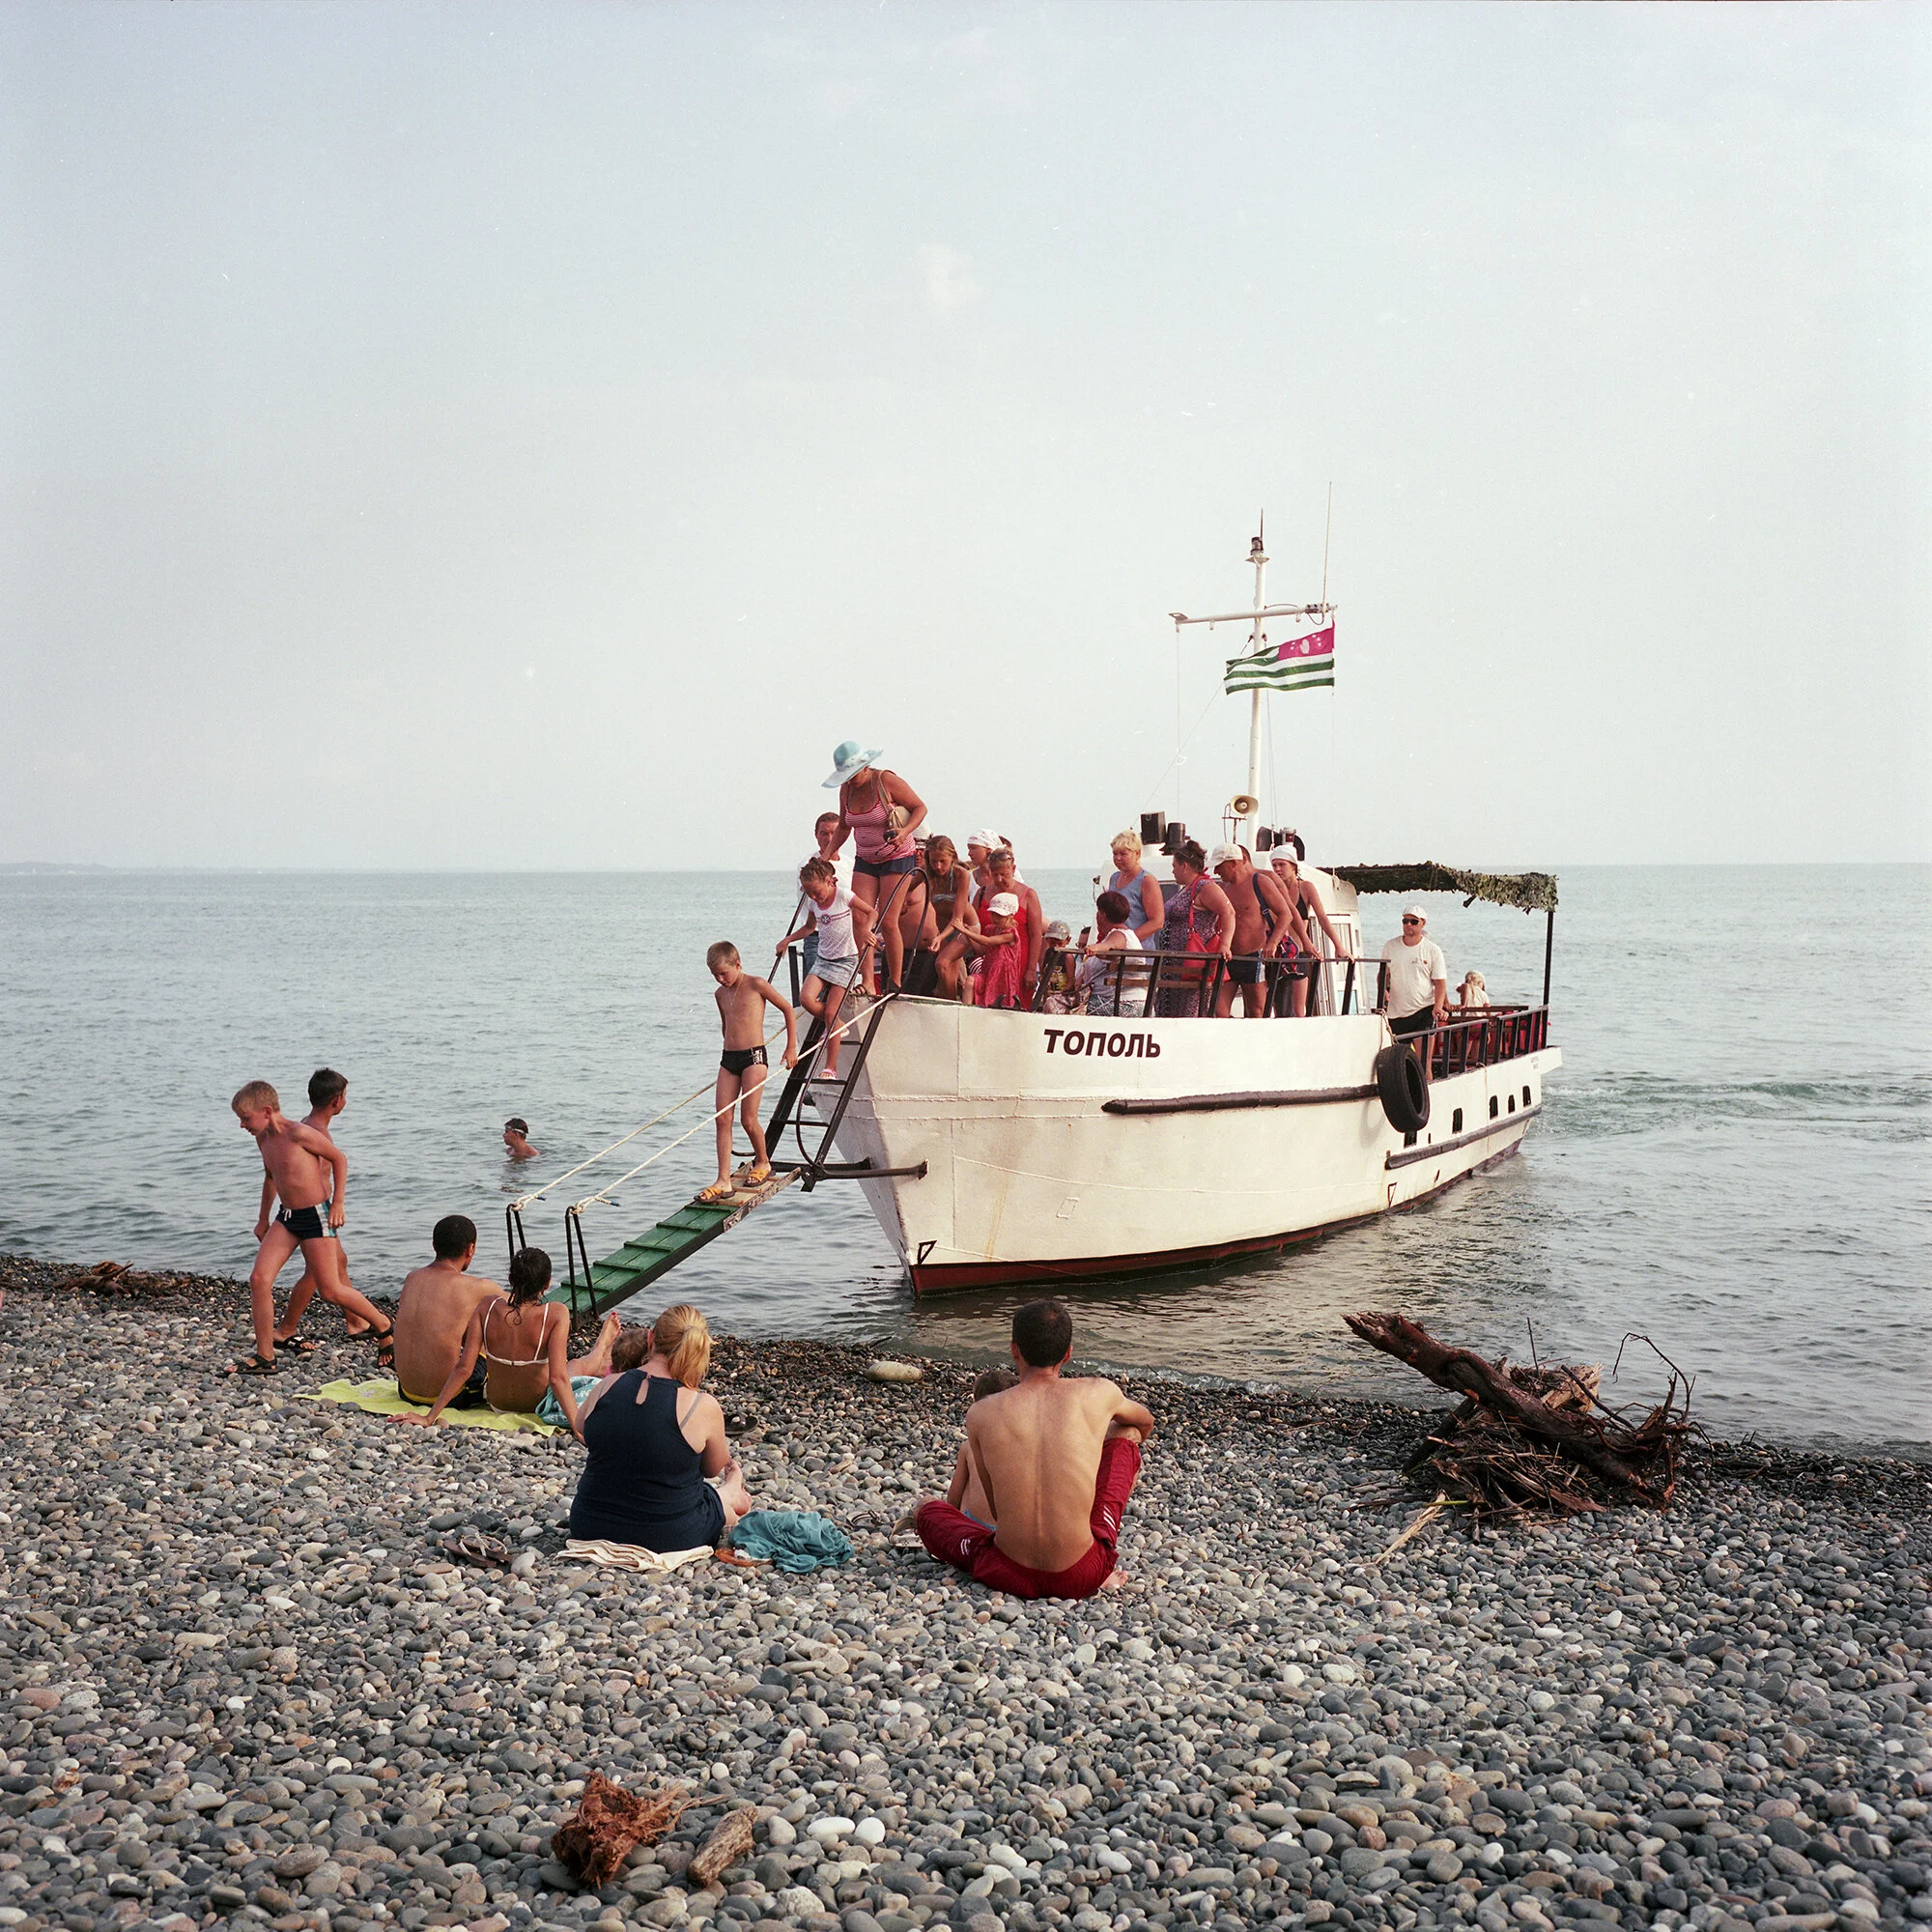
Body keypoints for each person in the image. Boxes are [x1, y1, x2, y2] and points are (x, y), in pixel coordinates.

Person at [913, 1298, 1152, 1601]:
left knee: (925, 1508)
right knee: (1125, 1432)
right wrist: (1094, 1443)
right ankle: (1097, 1542)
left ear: (1014, 1350)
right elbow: (1144, 1424)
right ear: (1068, 1354)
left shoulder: (981, 1413)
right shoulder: (1098, 1392)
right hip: (1083, 1573)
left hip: (1005, 1571)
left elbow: (998, 1512)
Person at [229, 1079, 393, 1376]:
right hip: (287, 1217)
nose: (242, 1125)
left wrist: (339, 1203)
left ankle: (383, 1326)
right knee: (258, 1279)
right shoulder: (263, 1138)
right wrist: (263, 1218)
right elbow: (270, 1177)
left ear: (267, 1111)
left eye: (245, 1119)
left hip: (316, 1215)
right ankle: (266, 1356)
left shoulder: (299, 1134)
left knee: (330, 1290)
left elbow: (339, 1159)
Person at [568, 1303, 753, 1552]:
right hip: (668, 1534)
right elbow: (712, 1468)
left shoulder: (606, 1386)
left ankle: (729, 1495)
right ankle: (731, 1491)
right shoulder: (701, 1405)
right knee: (709, 1500)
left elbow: (582, 1427)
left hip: (589, 1525)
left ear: (651, 1337)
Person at [396, 1247, 618, 1435]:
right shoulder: (556, 1313)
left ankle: (600, 1353)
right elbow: (558, 1378)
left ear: (510, 1279)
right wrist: (577, 1427)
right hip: (535, 1404)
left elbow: (465, 1367)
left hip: (497, 1405)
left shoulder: (487, 1306)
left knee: (569, 1368)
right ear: (547, 1283)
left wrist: (430, 1416)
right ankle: (600, 1351)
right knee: (573, 1366)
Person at [270, 1068, 393, 1349]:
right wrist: (335, 1205)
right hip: (314, 1214)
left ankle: (355, 1322)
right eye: (345, 1096)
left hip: (317, 1212)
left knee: (339, 1263)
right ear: (337, 1101)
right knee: (317, 1273)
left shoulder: (309, 1126)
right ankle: (286, 1329)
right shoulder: (315, 1133)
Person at [697, 941, 798, 1204]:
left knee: (747, 1119)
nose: (720, 980)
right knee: (721, 1119)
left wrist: (791, 1047)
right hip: (729, 1059)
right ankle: (723, 1179)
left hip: (754, 1057)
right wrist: (728, 1050)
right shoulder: (720, 994)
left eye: (724, 973)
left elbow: (788, 1009)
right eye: (715, 976)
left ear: (738, 964)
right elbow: (726, 1025)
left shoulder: (756, 984)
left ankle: (763, 1162)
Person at [826, 741, 927, 995]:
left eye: (852, 775)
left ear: (864, 767)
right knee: (860, 917)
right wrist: (826, 855)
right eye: (845, 777)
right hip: (866, 858)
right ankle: (868, 982)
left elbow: (920, 807)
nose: (849, 781)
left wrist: (905, 832)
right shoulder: (846, 790)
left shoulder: (886, 781)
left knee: (888, 921)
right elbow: (844, 826)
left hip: (897, 856)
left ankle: (895, 982)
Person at [391, 1214, 507, 1407]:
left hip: (406, 1391)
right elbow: (520, 1301)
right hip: (450, 1396)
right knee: (490, 1321)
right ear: (470, 1249)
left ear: (434, 1246)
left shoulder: (412, 1278)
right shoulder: (474, 1287)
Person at [775, 857, 874, 1076]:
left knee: (830, 1011)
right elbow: (810, 928)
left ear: (830, 882)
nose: (814, 897)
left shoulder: (843, 896)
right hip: (824, 959)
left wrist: (867, 930)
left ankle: (831, 1066)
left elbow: (871, 912)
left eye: (817, 892)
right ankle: (837, 1025)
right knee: (806, 999)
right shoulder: (812, 903)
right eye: (809, 893)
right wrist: (788, 940)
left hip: (846, 960)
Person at [1209, 843, 1299, 1018]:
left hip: (1253, 957)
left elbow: (1285, 914)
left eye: (1220, 866)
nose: (1217, 872)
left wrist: (1272, 943)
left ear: (1233, 864)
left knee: (1257, 1011)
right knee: (1219, 1010)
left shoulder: (1260, 881)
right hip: (1228, 958)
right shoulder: (1222, 888)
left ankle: (1258, 1043)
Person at [1152, 839, 1235, 1018]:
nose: (1172, 870)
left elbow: (1228, 912)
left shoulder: (1205, 887)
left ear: (1185, 866)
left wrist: (1225, 945)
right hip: (1174, 969)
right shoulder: (1186, 889)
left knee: (1188, 1012)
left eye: (1174, 866)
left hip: (1191, 969)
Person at [1268, 850, 1346, 1017]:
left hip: (1300, 952)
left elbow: (1322, 918)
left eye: (1282, 865)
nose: (1277, 869)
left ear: (1294, 866)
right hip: (1278, 954)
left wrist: (1339, 946)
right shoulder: (1271, 889)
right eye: (1274, 865)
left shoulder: (1305, 888)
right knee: (1280, 1009)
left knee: (1299, 1010)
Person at [1379, 906, 1449, 1082]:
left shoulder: (1432, 950)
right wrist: (1384, 990)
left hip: (1423, 1010)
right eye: (1405, 921)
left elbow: (1440, 982)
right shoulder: (1390, 946)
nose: (1408, 925)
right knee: (1397, 1063)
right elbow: (1383, 974)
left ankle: (1428, 1099)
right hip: (1396, 1012)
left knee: (1423, 1062)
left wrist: (1438, 1006)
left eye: (1413, 921)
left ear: (1422, 923)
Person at [978, 847, 1045, 1006]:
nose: (1000, 879)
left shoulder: (1028, 895)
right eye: (995, 875)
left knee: (1017, 1004)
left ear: (1013, 869)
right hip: (989, 962)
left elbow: (1036, 935)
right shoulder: (982, 893)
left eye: (1004, 874)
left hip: (1018, 962)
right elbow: (975, 926)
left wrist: (1031, 970)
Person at [920, 835, 981, 1000]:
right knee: (948, 975)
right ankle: (953, 1001)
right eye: (934, 861)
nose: (938, 867)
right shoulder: (926, 873)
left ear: (953, 858)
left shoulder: (962, 875)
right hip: (943, 930)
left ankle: (951, 1005)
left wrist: (939, 937)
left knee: (942, 964)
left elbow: (958, 918)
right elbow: (904, 890)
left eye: (943, 861)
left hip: (965, 928)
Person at [797, 811, 853, 983]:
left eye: (834, 833)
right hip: (818, 935)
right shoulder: (808, 865)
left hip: (846, 937)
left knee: (841, 989)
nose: (829, 839)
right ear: (816, 835)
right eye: (824, 833)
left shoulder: (850, 864)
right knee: (817, 989)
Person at [1078, 890, 1147, 1018]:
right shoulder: (1129, 935)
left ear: (1102, 915)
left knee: (1055, 1005)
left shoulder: (1119, 934)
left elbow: (1110, 946)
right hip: (1135, 1002)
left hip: (1119, 1004)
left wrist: (1095, 948)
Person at [963, 893, 1027, 1008]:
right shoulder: (992, 930)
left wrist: (968, 932)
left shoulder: (1010, 934)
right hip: (988, 973)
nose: (995, 918)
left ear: (1010, 916)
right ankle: (965, 1010)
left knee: (1001, 1002)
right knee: (970, 981)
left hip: (1003, 977)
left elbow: (988, 941)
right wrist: (968, 936)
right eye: (993, 914)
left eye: (1000, 916)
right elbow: (981, 950)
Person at [1106, 830, 1164, 944]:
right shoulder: (1114, 878)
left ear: (1137, 854)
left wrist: (1128, 941)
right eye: (1115, 854)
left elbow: (1157, 921)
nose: (1118, 858)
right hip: (1116, 949)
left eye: (1123, 854)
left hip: (1139, 950)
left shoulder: (1146, 881)